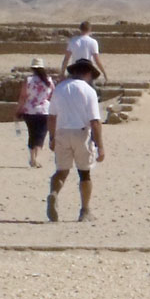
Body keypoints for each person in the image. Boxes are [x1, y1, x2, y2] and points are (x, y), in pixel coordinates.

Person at [47, 58, 106, 221]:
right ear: (87, 73)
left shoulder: (59, 89)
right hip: (81, 134)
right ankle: (85, 211)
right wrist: (100, 146)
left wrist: (52, 137)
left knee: (61, 171)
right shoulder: (88, 91)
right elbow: (95, 121)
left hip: (62, 132)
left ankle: (54, 193)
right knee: (84, 174)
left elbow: (51, 117)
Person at [19, 58, 56, 168]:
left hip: (29, 110)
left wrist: (18, 109)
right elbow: (52, 94)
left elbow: (23, 96)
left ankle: (32, 158)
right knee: (41, 135)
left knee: (32, 134)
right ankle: (36, 158)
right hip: (44, 110)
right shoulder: (48, 80)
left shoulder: (28, 80)